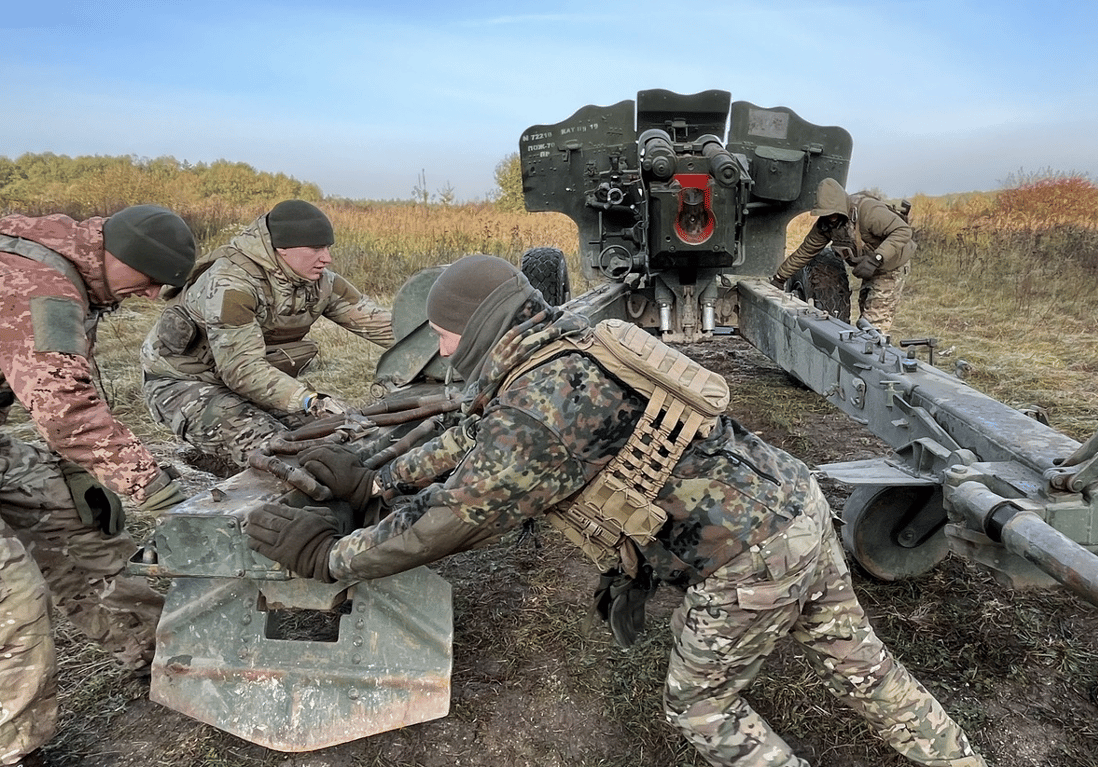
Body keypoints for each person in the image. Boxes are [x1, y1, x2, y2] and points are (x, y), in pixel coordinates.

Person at [244, 255, 988, 767]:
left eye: (440, 330)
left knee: (701, 712)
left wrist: (330, 557)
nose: (435, 345)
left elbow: (458, 515)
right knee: (867, 670)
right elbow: (475, 437)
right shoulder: (561, 344)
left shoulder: (542, 407)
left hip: (746, 559)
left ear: (471, 328)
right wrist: (379, 486)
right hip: (793, 508)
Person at [0, 205, 194, 767]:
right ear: (120, 256)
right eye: (153, 279)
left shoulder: (65, 267)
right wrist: (154, 485)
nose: (155, 295)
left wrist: (99, 476)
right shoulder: (40, 282)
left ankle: (164, 654)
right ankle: (14, 750)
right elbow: (65, 410)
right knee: (13, 593)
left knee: (77, 518)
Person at [140, 199, 395, 469]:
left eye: (328, 247)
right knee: (279, 454)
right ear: (282, 249)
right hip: (183, 383)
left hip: (250, 382)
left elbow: (382, 325)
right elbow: (242, 370)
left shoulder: (321, 283)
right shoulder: (231, 284)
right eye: (316, 248)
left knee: (337, 436)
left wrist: (438, 338)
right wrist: (308, 399)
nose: (327, 258)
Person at [770, 178, 917, 329]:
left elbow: (903, 230)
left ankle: (876, 348)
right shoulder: (826, 225)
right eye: (825, 214)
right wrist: (780, 278)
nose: (830, 218)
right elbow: (805, 252)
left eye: (833, 214)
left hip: (891, 265)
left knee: (874, 323)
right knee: (864, 316)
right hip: (871, 268)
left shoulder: (868, 211)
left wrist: (876, 258)